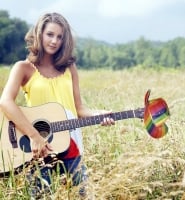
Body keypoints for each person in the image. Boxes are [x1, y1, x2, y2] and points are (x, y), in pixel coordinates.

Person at [0, 12, 114, 198]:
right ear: (39, 34)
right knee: (42, 196)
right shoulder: (23, 68)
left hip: (70, 144)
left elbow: (79, 109)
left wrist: (101, 115)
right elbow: (5, 102)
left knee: (84, 194)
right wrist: (34, 136)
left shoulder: (69, 67)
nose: (54, 41)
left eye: (60, 37)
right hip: (38, 148)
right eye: (50, 34)